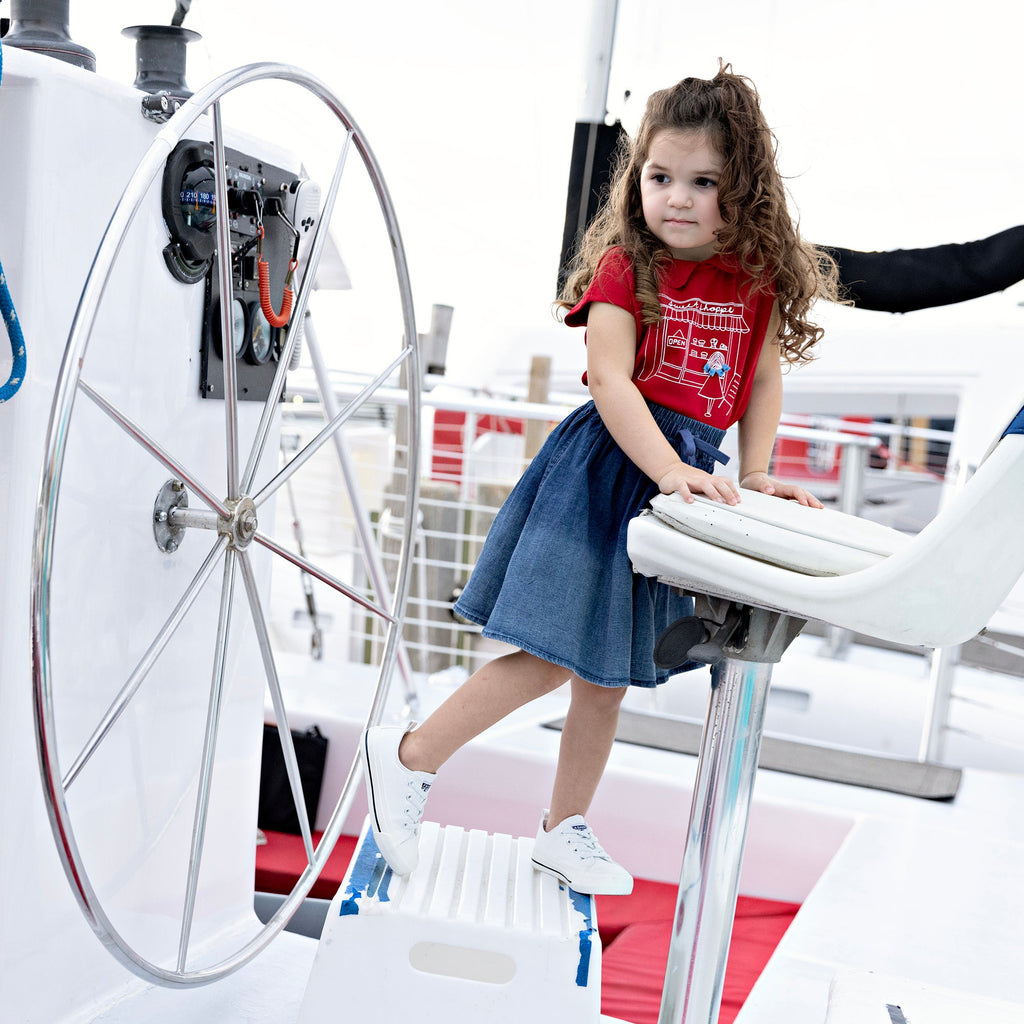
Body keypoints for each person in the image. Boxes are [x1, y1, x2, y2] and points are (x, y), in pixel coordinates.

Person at [363, 64, 838, 895]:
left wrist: (756, 474)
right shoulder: (628, 266)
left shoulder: (756, 283)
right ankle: (408, 758)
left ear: (747, 192)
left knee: (606, 677)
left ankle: (563, 827)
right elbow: (611, 381)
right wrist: (669, 470)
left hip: (678, 483)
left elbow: (761, 382)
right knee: (549, 657)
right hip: (608, 473)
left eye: (702, 182)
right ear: (638, 180)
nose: (677, 199)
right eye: (660, 178)